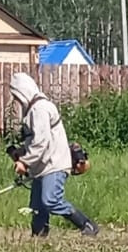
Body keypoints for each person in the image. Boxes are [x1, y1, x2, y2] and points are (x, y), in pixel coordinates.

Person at [8, 72, 99, 238]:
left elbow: (41, 142)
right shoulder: (33, 110)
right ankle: (39, 238)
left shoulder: (40, 109)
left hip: (54, 164)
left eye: (16, 95)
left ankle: (86, 224)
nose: (16, 100)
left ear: (23, 91)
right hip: (42, 166)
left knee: (51, 200)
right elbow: (35, 140)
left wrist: (25, 162)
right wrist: (21, 153)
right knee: (37, 207)